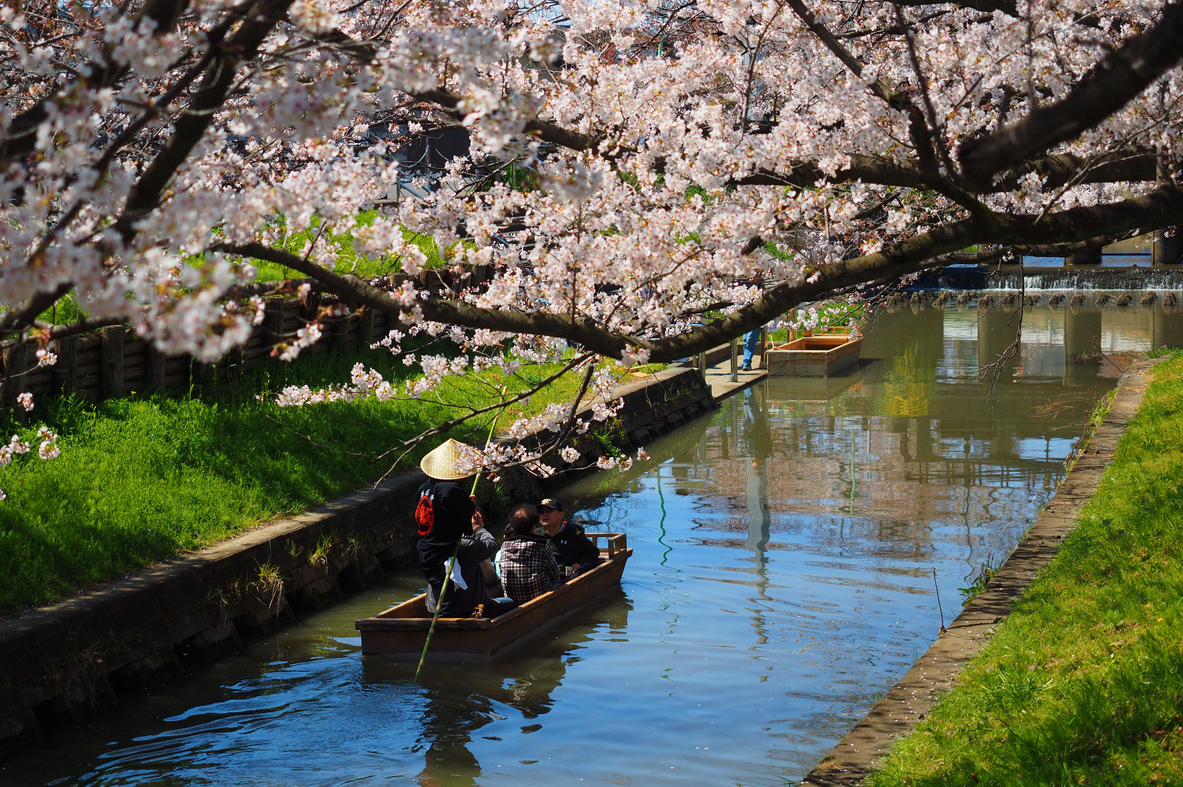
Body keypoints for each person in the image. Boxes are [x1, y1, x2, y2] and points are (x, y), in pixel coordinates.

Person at [415, 439, 514, 617]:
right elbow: (473, 533)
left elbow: (437, 516)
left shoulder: (423, 488)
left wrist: (465, 506)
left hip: (426, 549)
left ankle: (442, 615)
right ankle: (451, 619)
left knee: (442, 590)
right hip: (445, 549)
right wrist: (477, 526)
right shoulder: (451, 489)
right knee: (507, 603)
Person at [499, 504, 563, 603]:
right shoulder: (541, 545)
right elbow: (555, 576)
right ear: (533, 527)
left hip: (513, 600)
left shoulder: (504, 545)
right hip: (540, 598)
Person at [538, 497, 600, 577]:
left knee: (587, 567)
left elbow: (593, 551)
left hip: (567, 578)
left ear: (561, 515)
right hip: (545, 579)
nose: (545, 514)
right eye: (541, 512)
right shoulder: (536, 535)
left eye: (549, 511)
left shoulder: (573, 534)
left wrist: (579, 563)